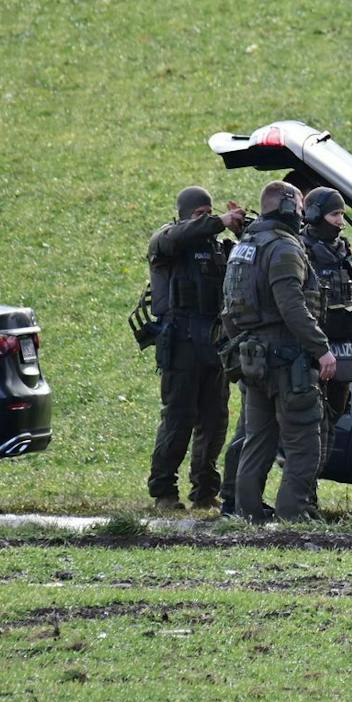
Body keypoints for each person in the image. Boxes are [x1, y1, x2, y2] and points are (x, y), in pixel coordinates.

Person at [222, 181, 335, 523]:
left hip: (254, 358)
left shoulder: (245, 245)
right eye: (300, 207)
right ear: (286, 207)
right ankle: (292, 516)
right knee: (304, 443)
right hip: (287, 358)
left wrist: (243, 345)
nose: (302, 215)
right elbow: (291, 304)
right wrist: (322, 349)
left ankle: (248, 514)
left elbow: (228, 306)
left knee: (257, 440)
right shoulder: (284, 248)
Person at [145, 185, 245, 514]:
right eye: (199, 215)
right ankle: (164, 492)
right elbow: (177, 236)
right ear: (185, 215)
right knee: (178, 417)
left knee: (214, 420)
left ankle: (204, 491)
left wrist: (241, 230)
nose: (207, 221)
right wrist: (218, 220)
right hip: (180, 342)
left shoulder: (219, 250)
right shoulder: (167, 241)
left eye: (210, 212)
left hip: (212, 343)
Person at [302, 187, 352, 467]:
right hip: (313, 350)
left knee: (335, 415)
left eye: (342, 214)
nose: (340, 221)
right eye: (335, 214)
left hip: (343, 347)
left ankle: (313, 482)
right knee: (310, 425)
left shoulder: (344, 248)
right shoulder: (301, 249)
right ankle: (304, 495)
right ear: (315, 214)